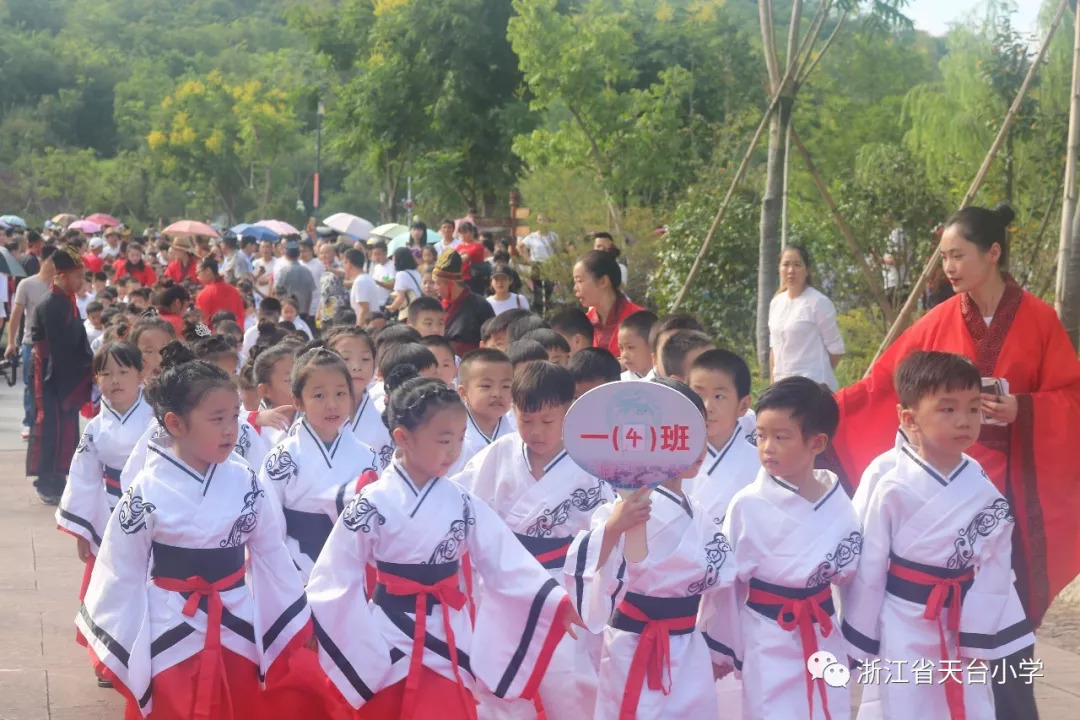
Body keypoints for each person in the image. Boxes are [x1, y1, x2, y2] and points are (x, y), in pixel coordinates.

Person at [829, 203, 1080, 650]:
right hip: (943, 483)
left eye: (958, 255)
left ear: (993, 253)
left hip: (1013, 484)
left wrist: (1022, 408)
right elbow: (885, 383)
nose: (948, 268)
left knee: (1005, 607)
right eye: (943, 257)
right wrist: (822, 413)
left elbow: (1071, 397)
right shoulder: (940, 318)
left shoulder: (1039, 319)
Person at [306, 368, 582, 718]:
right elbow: (334, 577)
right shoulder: (371, 502)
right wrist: (327, 625)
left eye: (460, 438)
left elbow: (505, 562)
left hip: (449, 631)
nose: (454, 451)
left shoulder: (463, 502)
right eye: (443, 439)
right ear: (403, 438)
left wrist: (555, 602)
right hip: (387, 634)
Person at [77, 352, 312, 719]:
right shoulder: (146, 490)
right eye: (217, 419)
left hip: (236, 615)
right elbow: (120, 571)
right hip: (170, 621)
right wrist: (123, 642)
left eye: (234, 416)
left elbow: (271, 552)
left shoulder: (245, 479)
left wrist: (293, 613)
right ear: (175, 423)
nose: (230, 429)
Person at [841, 351, 1036, 720]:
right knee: (905, 701)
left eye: (973, 408)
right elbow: (870, 567)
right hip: (903, 618)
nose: (964, 420)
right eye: (948, 410)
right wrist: (860, 637)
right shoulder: (891, 483)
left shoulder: (980, 485)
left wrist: (977, 633)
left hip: (961, 621)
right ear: (909, 419)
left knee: (970, 701)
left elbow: (995, 568)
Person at [566, 378, 736, 719]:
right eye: (682, 435)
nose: (696, 447)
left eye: (698, 433)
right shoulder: (623, 507)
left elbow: (724, 580)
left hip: (688, 646)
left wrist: (720, 649)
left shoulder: (697, 511)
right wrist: (615, 526)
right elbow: (584, 563)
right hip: (632, 644)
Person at [454, 361, 614, 719]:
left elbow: (605, 531)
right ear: (514, 412)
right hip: (506, 580)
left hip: (564, 582)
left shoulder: (590, 462)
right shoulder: (500, 453)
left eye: (548, 421)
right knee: (498, 672)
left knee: (569, 677)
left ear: (569, 413)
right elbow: (460, 500)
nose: (536, 431)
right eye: (526, 421)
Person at [719, 377, 860, 720]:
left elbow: (854, 577)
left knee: (829, 707)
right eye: (761, 436)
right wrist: (726, 648)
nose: (767, 447)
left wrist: (858, 639)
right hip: (767, 635)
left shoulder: (838, 502)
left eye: (781, 437)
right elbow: (726, 585)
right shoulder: (746, 504)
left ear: (817, 442)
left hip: (823, 628)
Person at [259, 347, 378, 583]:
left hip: (352, 566)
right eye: (319, 396)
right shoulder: (283, 457)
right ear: (298, 401)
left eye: (341, 394)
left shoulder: (368, 456)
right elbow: (269, 522)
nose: (332, 404)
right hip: (296, 566)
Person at [26, 247, 94, 505]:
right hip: (50, 375)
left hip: (62, 373)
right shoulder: (51, 304)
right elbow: (59, 349)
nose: (81, 282)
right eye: (78, 276)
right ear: (62, 276)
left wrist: (89, 363)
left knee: (66, 429)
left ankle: (60, 478)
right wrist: (86, 367)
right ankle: (46, 481)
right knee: (50, 429)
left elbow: (77, 341)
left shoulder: (67, 301)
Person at [684, 349, 759, 524]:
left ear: (743, 405)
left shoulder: (761, 464)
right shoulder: (674, 461)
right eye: (698, 394)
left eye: (719, 396)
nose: (707, 407)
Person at [768, 245, 845, 390]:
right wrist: (773, 385)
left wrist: (818, 374)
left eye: (797, 265)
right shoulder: (776, 303)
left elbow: (836, 350)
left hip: (813, 387)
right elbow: (774, 348)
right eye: (786, 265)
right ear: (779, 269)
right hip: (782, 386)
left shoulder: (818, 302)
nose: (791, 271)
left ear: (807, 271)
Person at [326, 327, 395, 470]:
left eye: (365, 359)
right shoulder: (310, 416)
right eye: (345, 359)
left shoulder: (386, 421)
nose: (357, 367)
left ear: (375, 364)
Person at [7, 245, 56, 439]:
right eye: (52, 262)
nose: (54, 267)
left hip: (54, 344)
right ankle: (28, 421)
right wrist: (11, 342)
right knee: (31, 384)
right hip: (31, 343)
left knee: (51, 384)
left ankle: (47, 421)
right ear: (43, 261)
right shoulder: (26, 284)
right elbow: (16, 315)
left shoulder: (59, 286)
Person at [444, 348, 516, 477]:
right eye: (486, 386)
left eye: (506, 386)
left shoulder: (518, 428)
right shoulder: (449, 433)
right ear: (464, 393)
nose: (497, 394)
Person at [573, 250, 643, 358]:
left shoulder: (639, 319)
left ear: (603, 281)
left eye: (579, 281)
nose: (575, 288)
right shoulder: (584, 323)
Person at [433, 248, 495, 357]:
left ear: (450, 283)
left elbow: (491, 340)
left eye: (438, 283)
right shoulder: (437, 306)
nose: (435, 288)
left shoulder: (480, 306)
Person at [274, 239, 317, 328]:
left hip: (286, 311)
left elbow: (276, 292)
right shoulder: (307, 271)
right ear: (298, 254)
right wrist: (308, 311)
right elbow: (310, 293)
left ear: (286, 254)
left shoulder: (283, 271)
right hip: (303, 311)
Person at [519, 219, 558, 314]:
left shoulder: (554, 236)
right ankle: (538, 311)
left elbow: (558, 249)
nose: (543, 222)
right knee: (538, 289)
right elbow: (520, 246)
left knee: (549, 287)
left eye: (544, 220)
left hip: (549, 264)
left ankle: (547, 311)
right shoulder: (533, 236)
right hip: (537, 264)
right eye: (540, 220)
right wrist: (527, 259)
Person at [195, 257, 245, 329]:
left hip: (214, 337)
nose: (197, 277)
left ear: (208, 271)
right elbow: (240, 316)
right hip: (234, 335)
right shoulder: (234, 290)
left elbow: (201, 324)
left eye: (198, 273)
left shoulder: (204, 294)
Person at [617, 310, 657, 381]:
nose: (624, 355)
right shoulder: (619, 381)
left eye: (630, 347)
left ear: (652, 345)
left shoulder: (668, 379)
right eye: (621, 348)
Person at [386, 247, 423, 321]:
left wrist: (391, 308)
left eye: (394, 257)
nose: (392, 259)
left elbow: (400, 297)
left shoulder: (401, 274)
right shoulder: (415, 272)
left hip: (410, 311)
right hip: (420, 306)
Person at [346, 248, 379, 326]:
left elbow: (364, 309)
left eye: (344, 263)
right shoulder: (366, 278)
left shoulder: (360, 281)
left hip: (367, 327)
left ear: (349, 264)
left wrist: (358, 330)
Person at [366, 240, 396, 308]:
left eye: (378, 254)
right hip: (374, 303)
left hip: (386, 304)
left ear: (385, 253)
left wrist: (376, 282)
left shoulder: (391, 266)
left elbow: (392, 285)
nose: (376, 257)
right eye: (374, 254)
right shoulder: (377, 267)